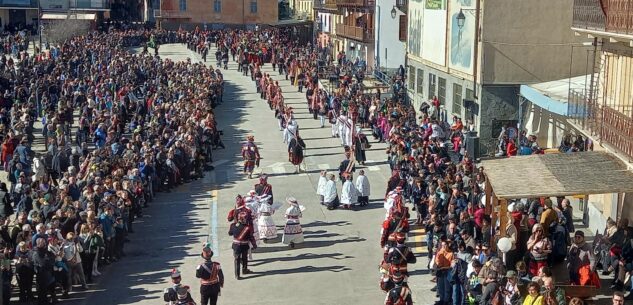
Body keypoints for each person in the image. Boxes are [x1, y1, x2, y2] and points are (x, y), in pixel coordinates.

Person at [228, 212, 256, 280]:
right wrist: (254, 245)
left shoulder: (233, 225)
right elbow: (251, 237)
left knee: (236, 260)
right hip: (244, 245)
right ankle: (244, 270)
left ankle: (237, 275)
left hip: (236, 246)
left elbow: (230, 233)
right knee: (244, 258)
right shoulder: (248, 227)